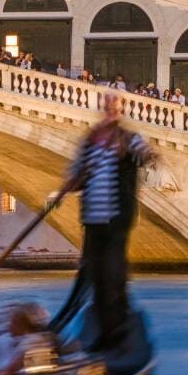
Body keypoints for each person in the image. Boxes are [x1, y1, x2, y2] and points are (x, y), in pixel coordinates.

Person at [59, 94, 153, 352]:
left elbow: (146, 156)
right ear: (104, 108)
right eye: (108, 105)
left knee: (113, 275)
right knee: (96, 276)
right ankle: (102, 332)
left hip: (116, 218)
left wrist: (136, 152)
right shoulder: (89, 141)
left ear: (120, 110)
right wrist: (69, 184)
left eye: (115, 106)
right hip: (92, 219)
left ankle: (116, 333)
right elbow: (74, 177)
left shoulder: (128, 138)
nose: (111, 109)